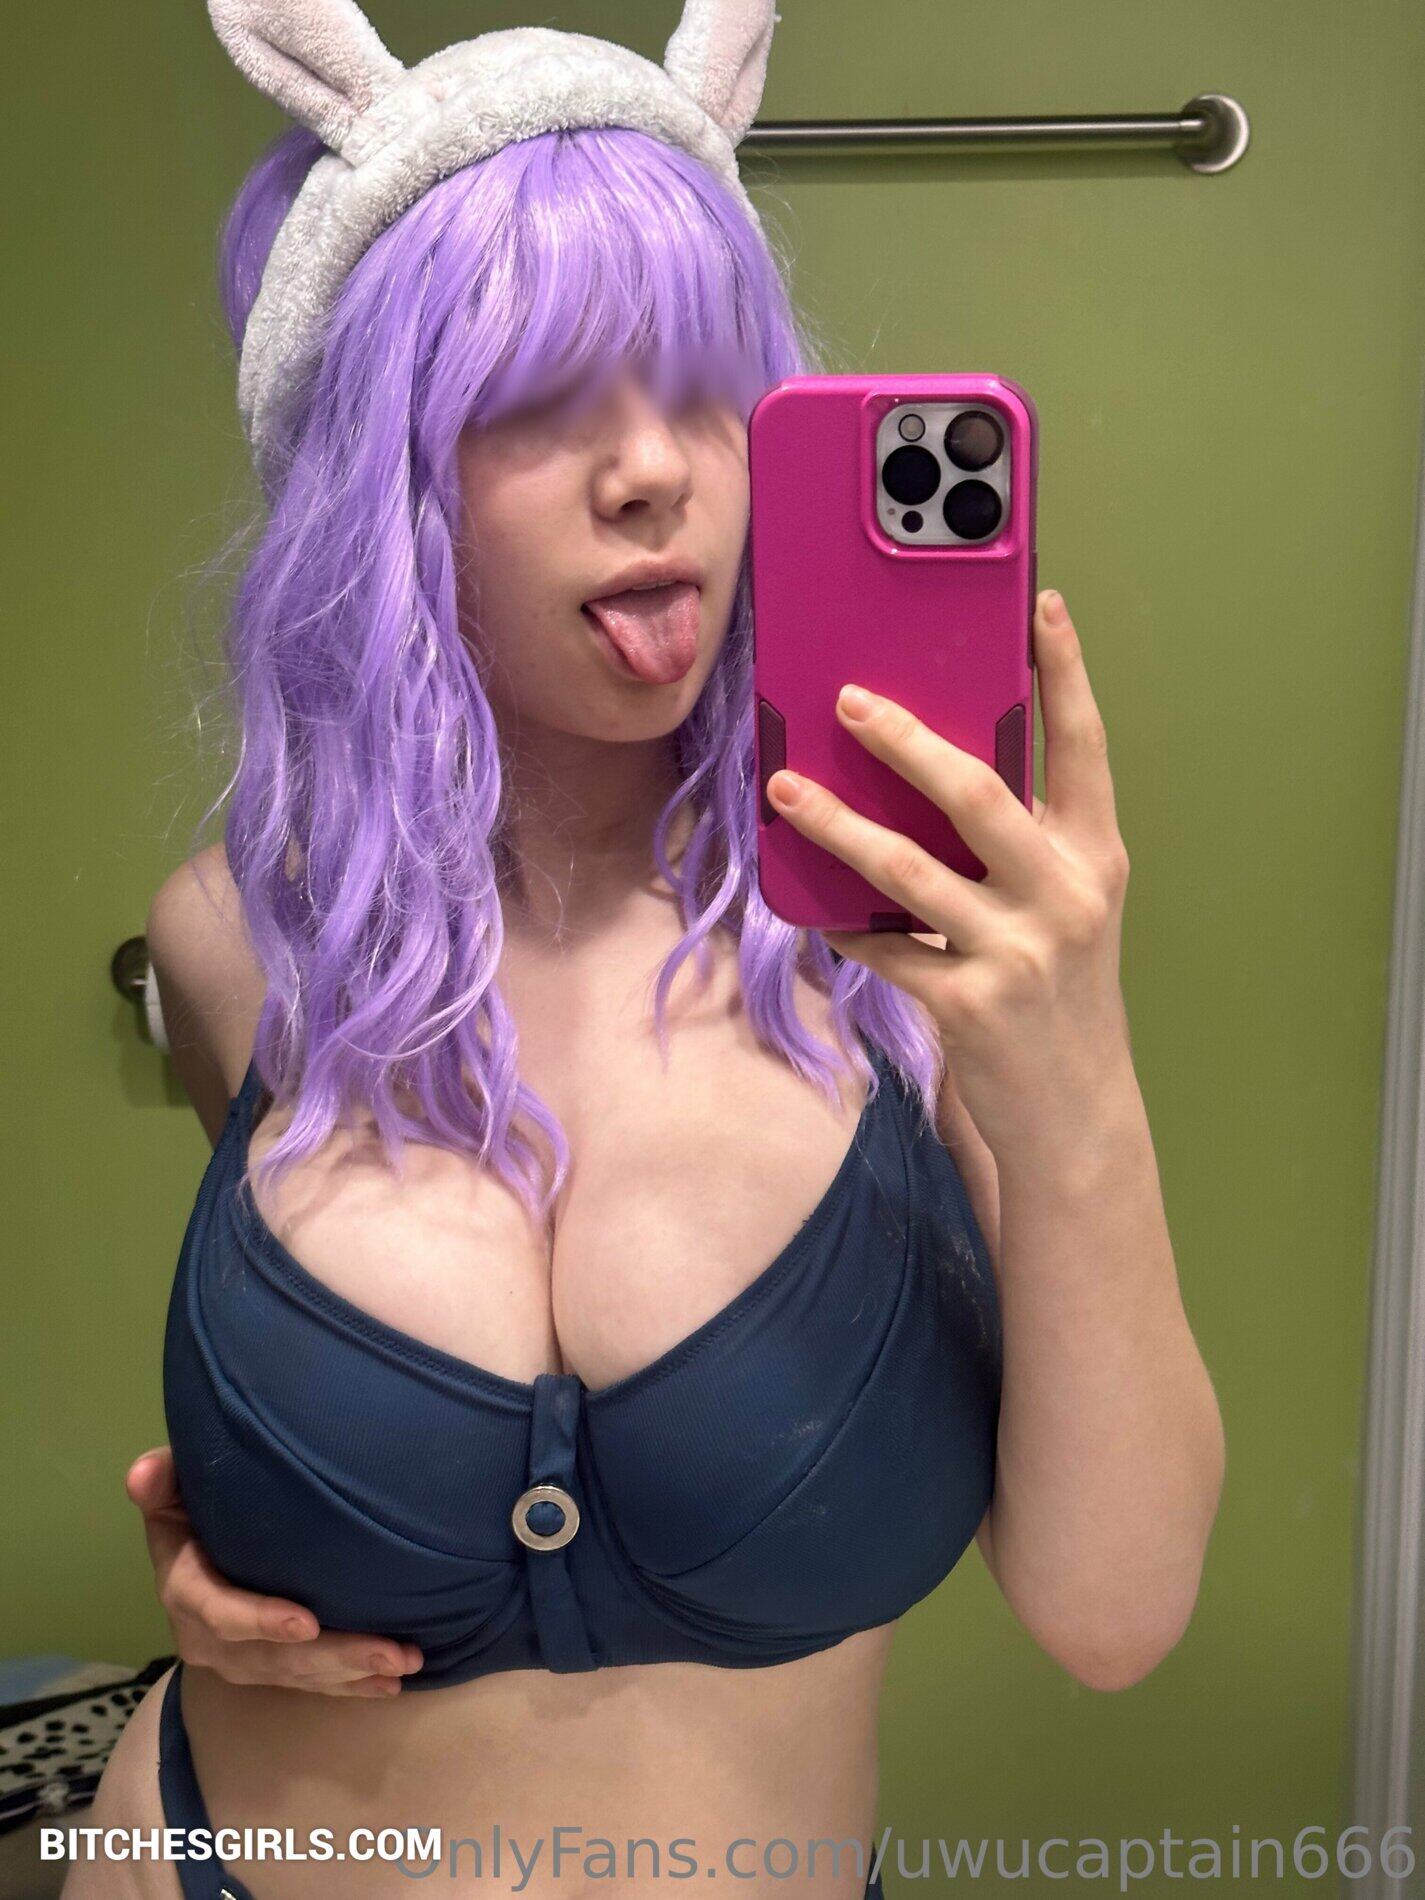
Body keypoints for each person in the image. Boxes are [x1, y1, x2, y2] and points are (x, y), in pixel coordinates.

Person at [67, 1, 1225, 1894]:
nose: (650, 471)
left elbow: (1116, 1616)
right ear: (380, 478)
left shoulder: (911, 955)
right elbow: (330, 1432)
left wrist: (1074, 1067)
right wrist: (228, 1551)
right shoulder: (241, 938)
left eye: (700, 390)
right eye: (534, 399)